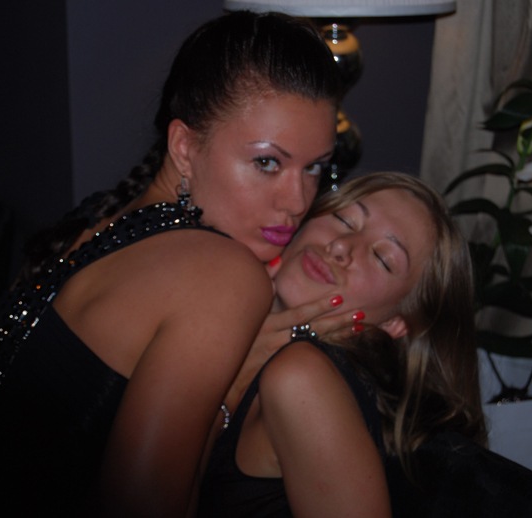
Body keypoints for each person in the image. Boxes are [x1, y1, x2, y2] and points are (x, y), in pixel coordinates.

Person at [0, 10, 344, 517]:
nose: (297, 201)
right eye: (267, 162)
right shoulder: (225, 274)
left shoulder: (97, 221)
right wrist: (231, 389)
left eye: (315, 168)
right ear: (184, 147)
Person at [197, 171, 488, 516]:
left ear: (395, 323)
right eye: (344, 219)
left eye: (382, 258)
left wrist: (232, 379)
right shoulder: (217, 311)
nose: (340, 247)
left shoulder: (302, 378)